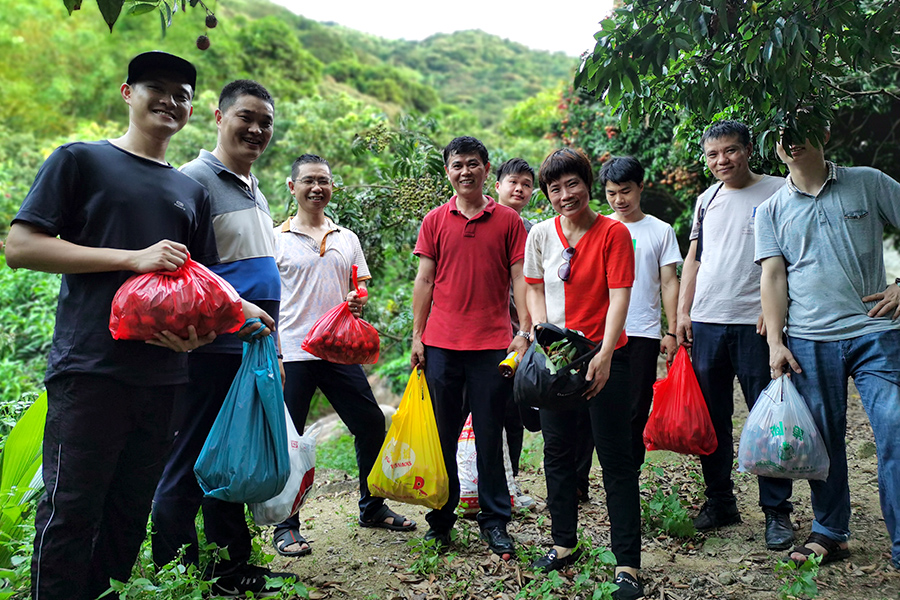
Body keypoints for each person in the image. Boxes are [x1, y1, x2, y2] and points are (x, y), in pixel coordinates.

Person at [5, 52, 249, 600]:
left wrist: (201, 335)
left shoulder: (192, 191)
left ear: (193, 109)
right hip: (90, 368)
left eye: (181, 94)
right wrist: (131, 258)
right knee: (70, 511)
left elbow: (200, 286)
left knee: (127, 515)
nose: (169, 101)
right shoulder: (80, 160)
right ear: (126, 93)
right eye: (156, 88)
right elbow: (21, 248)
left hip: (164, 377)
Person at [150, 79, 292, 597]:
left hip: (249, 348)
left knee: (232, 458)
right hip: (209, 348)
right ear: (217, 116)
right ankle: (182, 573)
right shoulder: (192, 181)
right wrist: (231, 316)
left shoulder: (255, 188)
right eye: (246, 117)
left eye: (266, 122)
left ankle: (232, 567)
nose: (256, 129)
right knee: (190, 460)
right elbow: (179, 275)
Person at [756, 123, 900, 569]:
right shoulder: (771, 209)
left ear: (825, 133)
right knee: (823, 440)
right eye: (782, 135)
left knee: (895, 429)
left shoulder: (868, 181)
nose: (792, 140)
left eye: (802, 130)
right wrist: (775, 343)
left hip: (875, 331)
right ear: (775, 147)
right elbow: (774, 277)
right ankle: (830, 529)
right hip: (810, 339)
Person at [270, 153, 416, 557]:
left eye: (324, 181)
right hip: (294, 351)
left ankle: (371, 507)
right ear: (292, 187)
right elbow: (265, 296)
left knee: (370, 423)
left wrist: (357, 299)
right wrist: (273, 352)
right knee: (290, 439)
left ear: (332, 186)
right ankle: (286, 525)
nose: (317, 187)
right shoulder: (275, 238)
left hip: (338, 349)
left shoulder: (346, 237)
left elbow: (360, 288)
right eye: (309, 181)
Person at [523, 148, 642, 600]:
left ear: (587, 184)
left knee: (615, 460)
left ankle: (628, 563)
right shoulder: (539, 234)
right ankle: (563, 542)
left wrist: (606, 353)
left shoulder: (613, 233)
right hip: (558, 359)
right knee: (557, 454)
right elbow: (532, 287)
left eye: (572, 183)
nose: (564, 194)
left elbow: (619, 297)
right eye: (554, 188)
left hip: (606, 356)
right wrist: (540, 334)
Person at [676, 120, 794, 551]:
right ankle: (720, 500)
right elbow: (694, 258)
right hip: (708, 321)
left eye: (730, 151)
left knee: (769, 420)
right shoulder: (706, 199)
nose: (721, 161)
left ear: (748, 149)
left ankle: (777, 512)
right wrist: (683, 313)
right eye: (712, 154)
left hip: (755, 323)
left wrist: (778, 313)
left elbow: (795, 256)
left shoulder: (780, 189)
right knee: (713, 420)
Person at [411, 136, 531, 557]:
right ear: (448, 171)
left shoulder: (509, 222)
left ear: (486, 168)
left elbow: (520, 279)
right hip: (442, 345)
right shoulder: (434, 220)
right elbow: (425, 281)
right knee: (442, 437)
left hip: (493, 347)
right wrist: (417, 337)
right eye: (458, 164)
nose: (466, 171)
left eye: (474, 164)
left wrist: (526, 330)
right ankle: (440, 522)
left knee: (489, 434)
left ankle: (494, 521)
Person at [600, 156, 682, 470]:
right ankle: (591, 478)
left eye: (625, 191)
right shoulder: (600, 228)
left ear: (641, 188)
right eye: (611, 193)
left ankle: (630, 474)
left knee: (636, 408)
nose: (619, 199)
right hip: (602, 332)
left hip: (642, 333)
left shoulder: (660, 230)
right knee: (599, 406)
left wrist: (672, 330)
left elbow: (668, 282)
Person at [494, 157, 536, 508]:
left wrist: (529, 328)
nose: (519, 189)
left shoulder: (530, 229)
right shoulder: (486, 221)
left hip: (520, 334)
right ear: (498, 186)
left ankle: (512, 483)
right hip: (487, 333)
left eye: (525, 184)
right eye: (513, 182)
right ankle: (481, 482)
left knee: (514, 410)